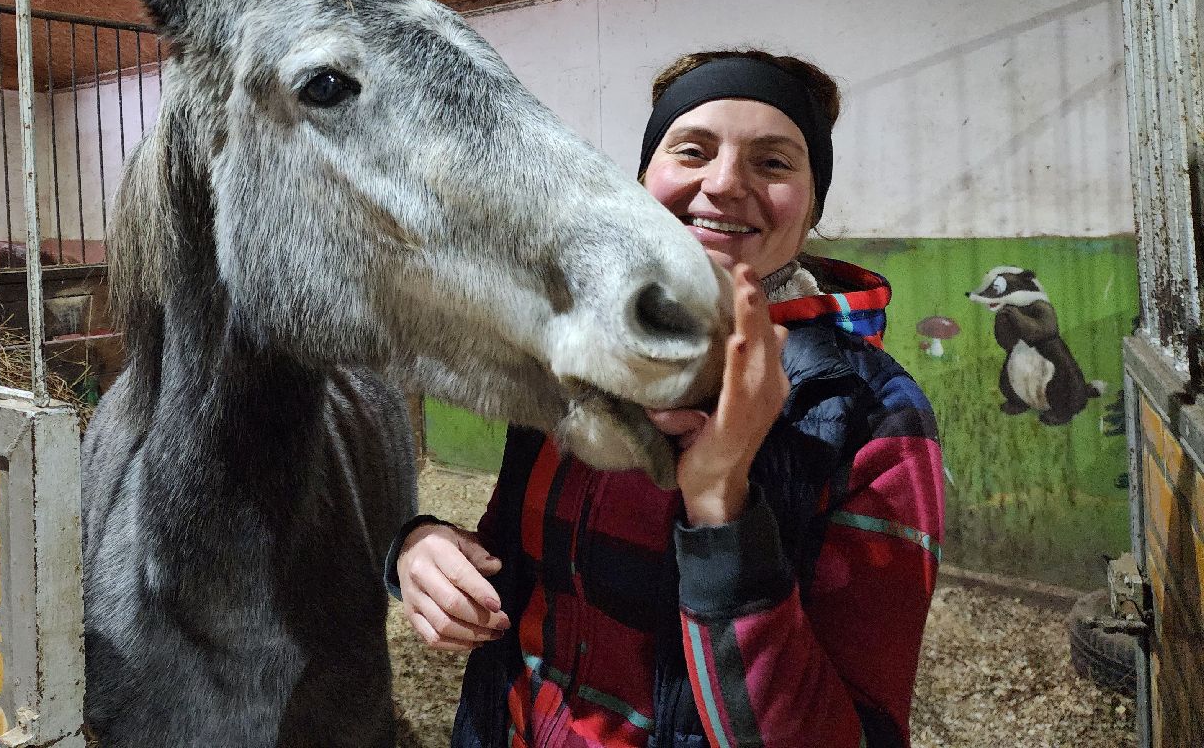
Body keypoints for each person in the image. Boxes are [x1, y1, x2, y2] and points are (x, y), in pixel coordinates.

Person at [388, 49, 945, 748]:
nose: (724, 183)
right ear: (642, 182)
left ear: (810, 210)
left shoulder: (872, 416)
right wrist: (422, 549)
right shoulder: (575, 353)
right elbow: (509, 562)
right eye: (692, 151)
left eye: (773, 163)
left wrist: (721, 503)